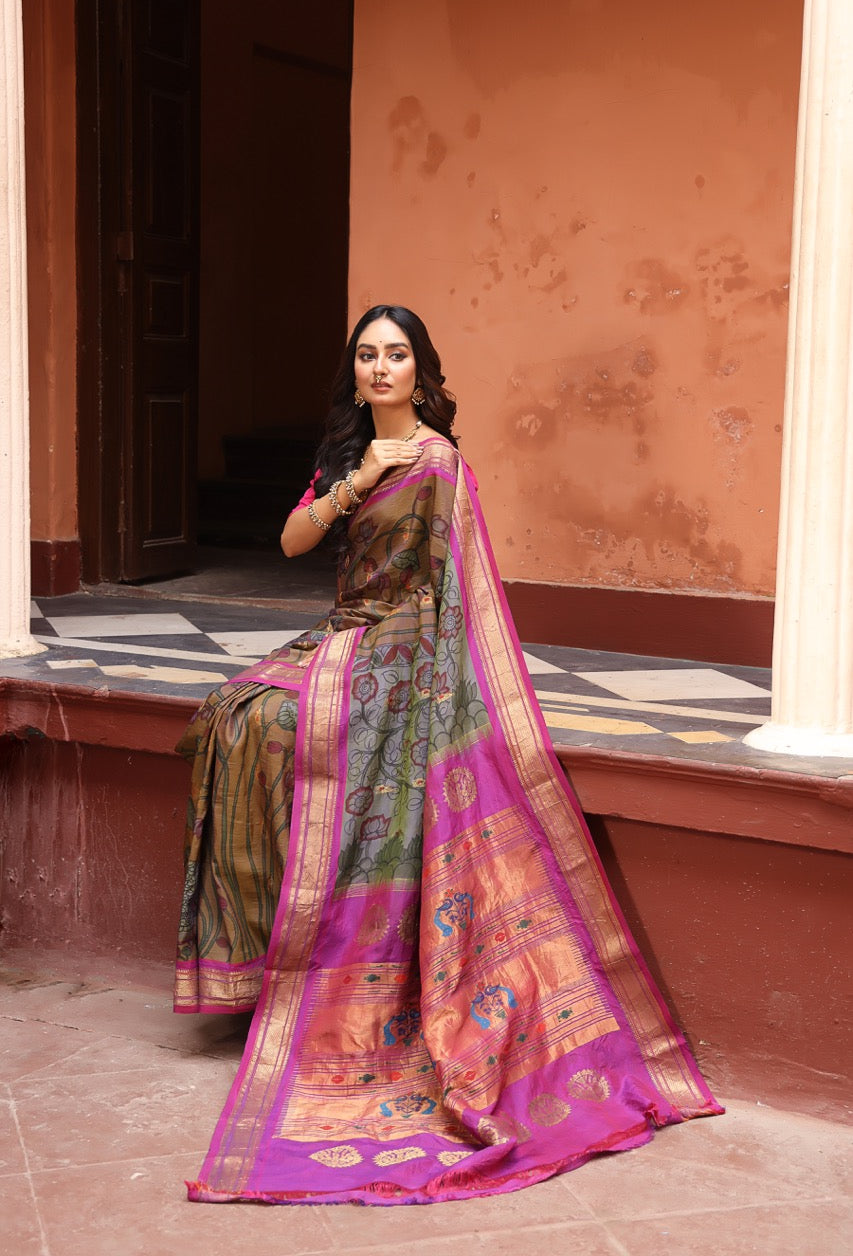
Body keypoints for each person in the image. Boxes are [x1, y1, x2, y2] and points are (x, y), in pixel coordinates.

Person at [174, 305, 721, 1206]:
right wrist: (354, 481)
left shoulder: (438, 462)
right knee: (232, 715)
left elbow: (450, 591)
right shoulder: (353, 457)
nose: (380, 368)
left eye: (395, 355)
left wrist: (426, 678)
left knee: (279, 728)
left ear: (421, 370)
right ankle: (261, 956)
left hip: (404, 650)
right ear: (353, 371)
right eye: (366, 355)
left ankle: (307, 960)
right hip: (343, 634)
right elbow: (292, 540)